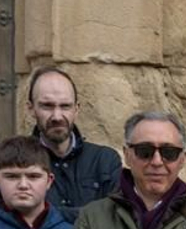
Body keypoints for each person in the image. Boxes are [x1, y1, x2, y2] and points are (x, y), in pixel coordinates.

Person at [26, 67, 121, 220]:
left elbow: (115, 219)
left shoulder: (105, 161)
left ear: (76, 109)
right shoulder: (17, 163)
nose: (57, 116)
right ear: (31, 109)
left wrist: (45, 214)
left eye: (65, 106)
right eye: (47, 106)